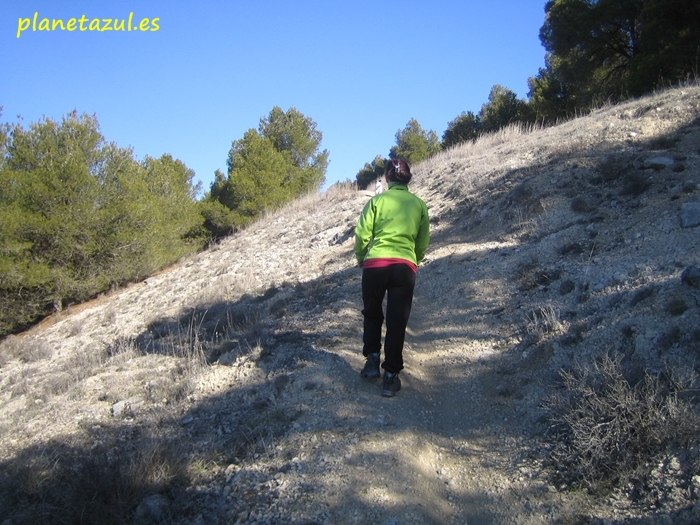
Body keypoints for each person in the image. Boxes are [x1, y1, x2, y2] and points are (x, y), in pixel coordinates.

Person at [354, 158, 430, 397]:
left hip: (375, 264)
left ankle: (371, 362)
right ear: (408, 178)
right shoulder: (419, 205)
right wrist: (414, 260)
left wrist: (361, 258)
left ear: (387, 177)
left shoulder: (376, 201)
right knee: (397, 321)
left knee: (372, 313)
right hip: (404, 267)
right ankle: (390, 376)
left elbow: (362, 234)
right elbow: (422, 240)